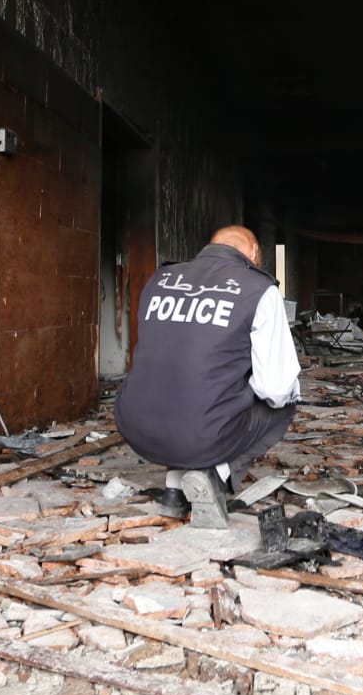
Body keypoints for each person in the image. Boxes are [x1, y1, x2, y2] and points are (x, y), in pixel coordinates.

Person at [114, 225, 301, 527]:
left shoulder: (160, 278)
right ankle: (211, 475)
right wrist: (244, 388)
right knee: (283, 401)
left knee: (187, 391)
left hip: (135, 425)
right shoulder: (258, 289)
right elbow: (276, 389)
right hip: (199, 434)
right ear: (254, 253)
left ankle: (174, 487)